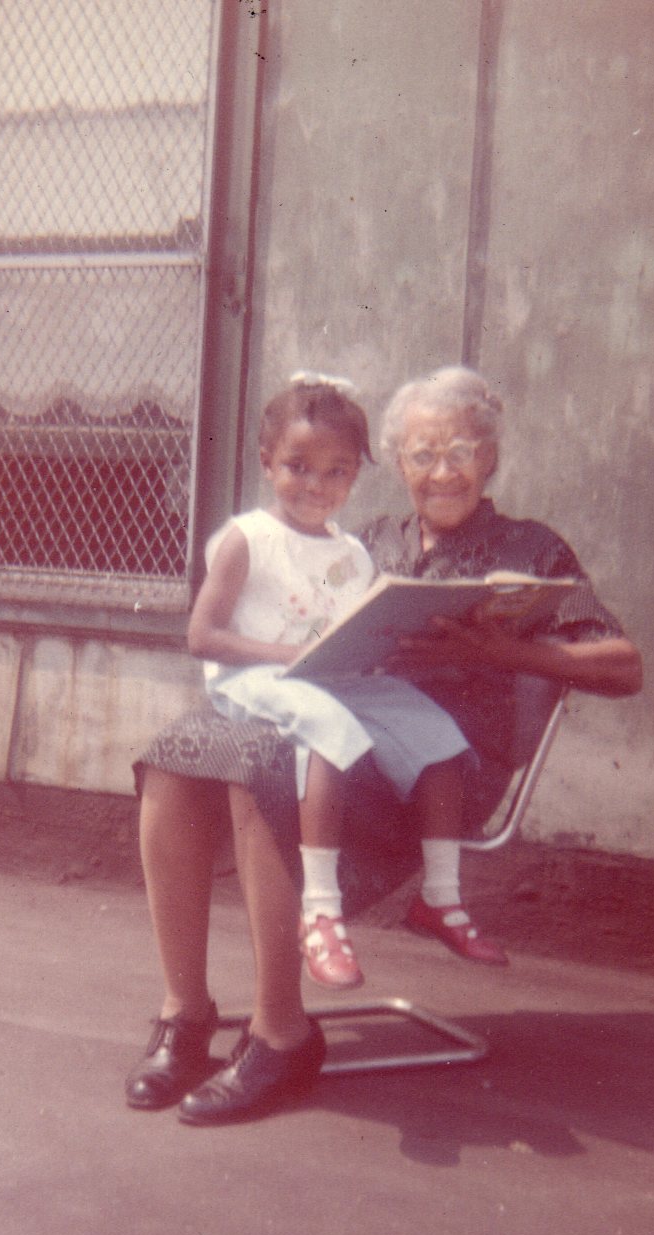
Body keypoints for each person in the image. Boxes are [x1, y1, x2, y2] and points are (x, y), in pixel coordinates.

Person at [125, 365, 642, 1127]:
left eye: (461, 451)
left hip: (441, 770)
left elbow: (623, 667)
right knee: (176, 755)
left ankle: (280, 1034)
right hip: (341, 735)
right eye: (423, 454)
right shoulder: (363, 545)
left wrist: (505, 653)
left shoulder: (529, 549)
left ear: (490, 458)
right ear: (397, 464)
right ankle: (187, 1013)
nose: (442, 471)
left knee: (258, 764)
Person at [188, 374, 475, 992]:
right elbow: (203, 637)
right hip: (254, 674)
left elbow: (350, 632)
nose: (317, 487)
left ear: (355, 475)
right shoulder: (248, 539)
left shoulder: (352, 552)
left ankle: (442, 897)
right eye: (298, 467)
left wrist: (385, 639)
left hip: (323, 677)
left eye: (337, 472)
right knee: (328, 725)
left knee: (434, 729)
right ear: (267, 463)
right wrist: (290, 652)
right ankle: (321, 912)